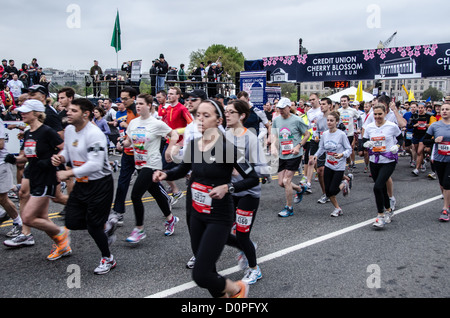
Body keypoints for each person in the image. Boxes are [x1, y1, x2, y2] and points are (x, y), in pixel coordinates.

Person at [153, 99, 259, 298]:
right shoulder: (194, 144)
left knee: (201, 275)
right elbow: (183, 169)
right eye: (198, 115)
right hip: (196, 213)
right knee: (208, 270)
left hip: (218, 216)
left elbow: (253, 179)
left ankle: (238, 289)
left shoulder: (228, 148)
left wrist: (228, 187)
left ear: (219, 121)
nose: (200, 119)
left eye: (206, 115)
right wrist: (165, 174)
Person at [51, 98, 115, 274]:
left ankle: (108, 258)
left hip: (100, 183)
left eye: (73, 110)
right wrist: (62, 157)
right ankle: (105, 226)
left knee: (93, 225)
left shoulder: (94, 134)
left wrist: (69, 173)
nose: (68, 113)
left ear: (85, 114)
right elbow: (68, 149)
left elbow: (95, 164)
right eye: (68, 110)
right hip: (82, 182)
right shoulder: (71, 129)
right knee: (72, 220)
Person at [3, 99, 71, 257]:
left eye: (26, 111)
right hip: (34, 176)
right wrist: (13, 160)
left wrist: (51, 160)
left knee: (27, 217)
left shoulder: (47, 131)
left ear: (35, 113)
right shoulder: (28, 133)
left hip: (47, 177)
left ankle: (61, 233)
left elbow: (63, 150)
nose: (22, 114)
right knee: (41, 217)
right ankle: (63, 246)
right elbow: (27, 157)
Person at [116, 93, 180, 242]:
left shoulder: (156, 123)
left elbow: (174, 134)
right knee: (156, 193)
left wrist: (170, 149)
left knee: (135, 195)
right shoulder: (133, 123)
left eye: (141, 104)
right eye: (137, 103)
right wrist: (122, 144)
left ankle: (139, 229)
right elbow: (129, 141)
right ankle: (170, 219)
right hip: (139, 163)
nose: (138, 106)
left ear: (149, 105)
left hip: (152, 164)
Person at [225, 99, 270, 284]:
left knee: (242, 234)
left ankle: (254, 269)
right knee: (222, 233)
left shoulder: (250, 138)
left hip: (249, 193)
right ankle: (246, 247)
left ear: (242, 116)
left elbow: (262, 169)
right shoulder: (224, 135)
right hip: (230, 191)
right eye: (225, 111)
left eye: (231, 112)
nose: (226, 114)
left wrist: (242, 169)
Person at [363, 104, 403, 228]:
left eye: (380, 114)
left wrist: (397, 146)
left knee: (377, 187)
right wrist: (366, 144)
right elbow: (363, 141)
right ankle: (389, 210)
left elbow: (400, 138)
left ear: (385, 113)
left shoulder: (392, 126)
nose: (377, 116)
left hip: (388, 160)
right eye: (375, 114)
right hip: (374, 160)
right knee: (381, 188)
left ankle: (380, 215)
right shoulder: (369, 127)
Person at [271, 98, 310, 217]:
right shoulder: (276, 120)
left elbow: (307, 134)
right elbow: (275, 136)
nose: (281, 110)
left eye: (283, 108)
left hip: (294, 154)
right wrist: (273, 146)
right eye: (279, 108)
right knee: (281, 183)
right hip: (282, 154)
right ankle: (299, 189)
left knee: (286, 181)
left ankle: (289, 208)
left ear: (289, 107)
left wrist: (298, 146)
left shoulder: (297, 120)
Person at [311, 111, 352, 217]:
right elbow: (321, 148)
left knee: (333, 190)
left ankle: (345, 183)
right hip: (328, 164)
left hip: (339, 166)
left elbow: (349, 149)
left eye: (331, 120)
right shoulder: (324, 134)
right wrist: (315, 156)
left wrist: (342, 154)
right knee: (328, 191)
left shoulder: (341, 135)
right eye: (328, 120)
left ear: (337, 122)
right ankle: (338, 209)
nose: (329, 122)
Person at [109, 87, 139, 226]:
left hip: (141, 153)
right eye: (121, 98)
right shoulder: (127, 111)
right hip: (128, 152)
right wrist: (122, 141)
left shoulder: (138, 110)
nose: (123, 101)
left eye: (125, 98)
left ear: (133, 98)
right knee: (122, 182)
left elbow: (141, 130)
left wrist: (127, 126)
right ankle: (118, 212)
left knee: (152, 186)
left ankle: (167, 206)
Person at [160, 87, 193, 204]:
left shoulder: (182, 109)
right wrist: (166, 132)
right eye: (168, 94)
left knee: (164, 167)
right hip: (169, 141)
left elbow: (190, 125)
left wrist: (177, 132)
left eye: (172, 94)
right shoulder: (168, 108)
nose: (169, 96)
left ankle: (176, 190)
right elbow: (167, 124)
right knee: (168, 167)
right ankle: (189, 175)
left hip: (179, 143)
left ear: (178, 96)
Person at [423, 102, 450, 221]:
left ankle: (445, 209)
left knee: (447, 182)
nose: (444, 111)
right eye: (443, 109)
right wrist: (435, 141)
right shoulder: (435, 126)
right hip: (439, 158)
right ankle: (448, 202)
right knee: (442, 184)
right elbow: (425, 141)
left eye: (447, 109)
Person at [0, 117, 23, 239]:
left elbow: (0, 144)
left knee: (2, 198)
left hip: (1, 164)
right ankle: (2, 214)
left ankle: (18, 223)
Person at [337, 95, 361, 171]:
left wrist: (359, 128)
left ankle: (348, 163)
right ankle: (348, 163)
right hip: (340, 133)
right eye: (342, 101)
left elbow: (359, 119)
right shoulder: (338, 111)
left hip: (349, 134)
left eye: (345, 101)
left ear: (348, 101)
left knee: (346, 149)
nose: (343, 102)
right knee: (342, 149)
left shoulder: (353, 110)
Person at [408, 103, 432, 176]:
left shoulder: (428, 116)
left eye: (422, 108)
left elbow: (432, 125)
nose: (420, 109)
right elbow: (409, 126)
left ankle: (417, 169)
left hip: (424, 135)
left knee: (419, 151)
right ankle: (422, 161)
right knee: (418, 150)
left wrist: (428, 125)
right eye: (419, 108)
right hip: (416, 135)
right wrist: (414, 125)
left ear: (424, 108)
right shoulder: (414, 116)